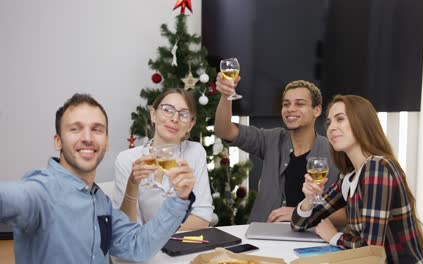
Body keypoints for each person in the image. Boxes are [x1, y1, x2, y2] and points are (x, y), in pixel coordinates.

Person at [0, 94, 196, 263]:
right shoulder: (41, 191)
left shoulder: (101, 202)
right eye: (75, 129)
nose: (88, 138)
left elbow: (139, 246)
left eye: (97, 129)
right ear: (58, 141)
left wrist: (180, 199)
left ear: (106, 142)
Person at [291, 95, 423, 263]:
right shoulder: (349, 178)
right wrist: (309, 200)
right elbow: (298, 224)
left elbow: (371, 250)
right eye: (329, 122)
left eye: (340, 119)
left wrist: (333, 236)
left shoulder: (378, 168)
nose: (332, 127)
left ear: (362, 123)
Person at [215, 75, 342, 223]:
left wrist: (300, 213)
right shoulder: (271, 140)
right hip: (264, 234)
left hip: (310, 238)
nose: (290, 109)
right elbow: (224, 130)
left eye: (299, 104)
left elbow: (346, 215)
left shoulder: (334, 152)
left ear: (317, 110)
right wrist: (226, 95)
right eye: (286, 104)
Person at [112, 88, 213, 232]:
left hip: (182, 245)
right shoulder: (127, 159)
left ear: (190, 125)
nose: (174, 119)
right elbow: (127, 227)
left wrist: (163, 242)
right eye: (167, 110)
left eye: (183, 114)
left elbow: (202, 217)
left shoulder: (195, 153)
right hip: (142, 249)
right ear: (153, 115)